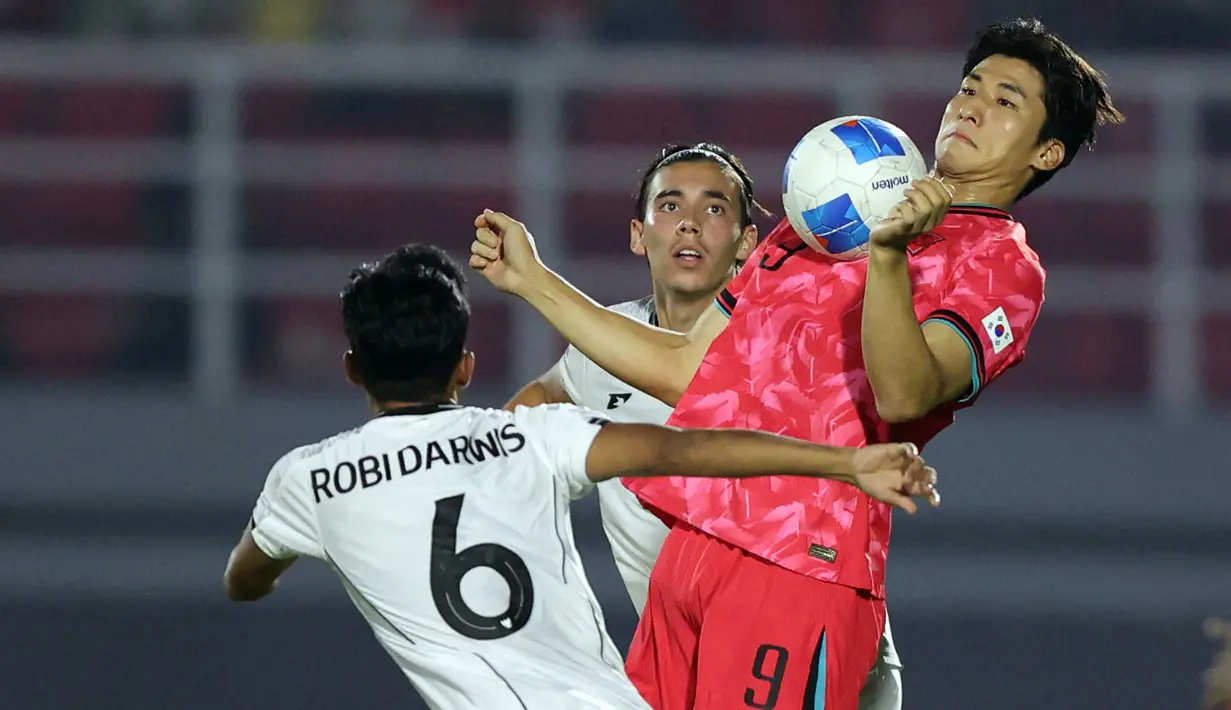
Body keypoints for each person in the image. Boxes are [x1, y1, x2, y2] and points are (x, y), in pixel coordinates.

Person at [469, 17, 1123, 710]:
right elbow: (694, 372)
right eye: (969, 86)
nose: (970, 106)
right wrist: (532, 280)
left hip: (799, 565)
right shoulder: (820, 216)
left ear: (1046, 153)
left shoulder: (1001, 267)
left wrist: (889, 255)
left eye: (1004, 100)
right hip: (690, 545)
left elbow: (904, 395)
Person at [222, 245, 938, 710]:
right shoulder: (531, 437)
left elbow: (244, 577)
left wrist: (271, 569)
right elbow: (684, 449)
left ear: (352, 370)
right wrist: (844, 462)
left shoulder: (309, 481)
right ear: (466, 367)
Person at [506, 141, 908, 710]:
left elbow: (688, 373)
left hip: (800, 640)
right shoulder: (603, 343)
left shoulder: (792, 337)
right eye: (669, 206)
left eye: (715, 209)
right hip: (681, 645)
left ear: (748, 243)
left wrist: (532, 280)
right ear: (638, 235)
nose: (690, 225)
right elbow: (547, 397)